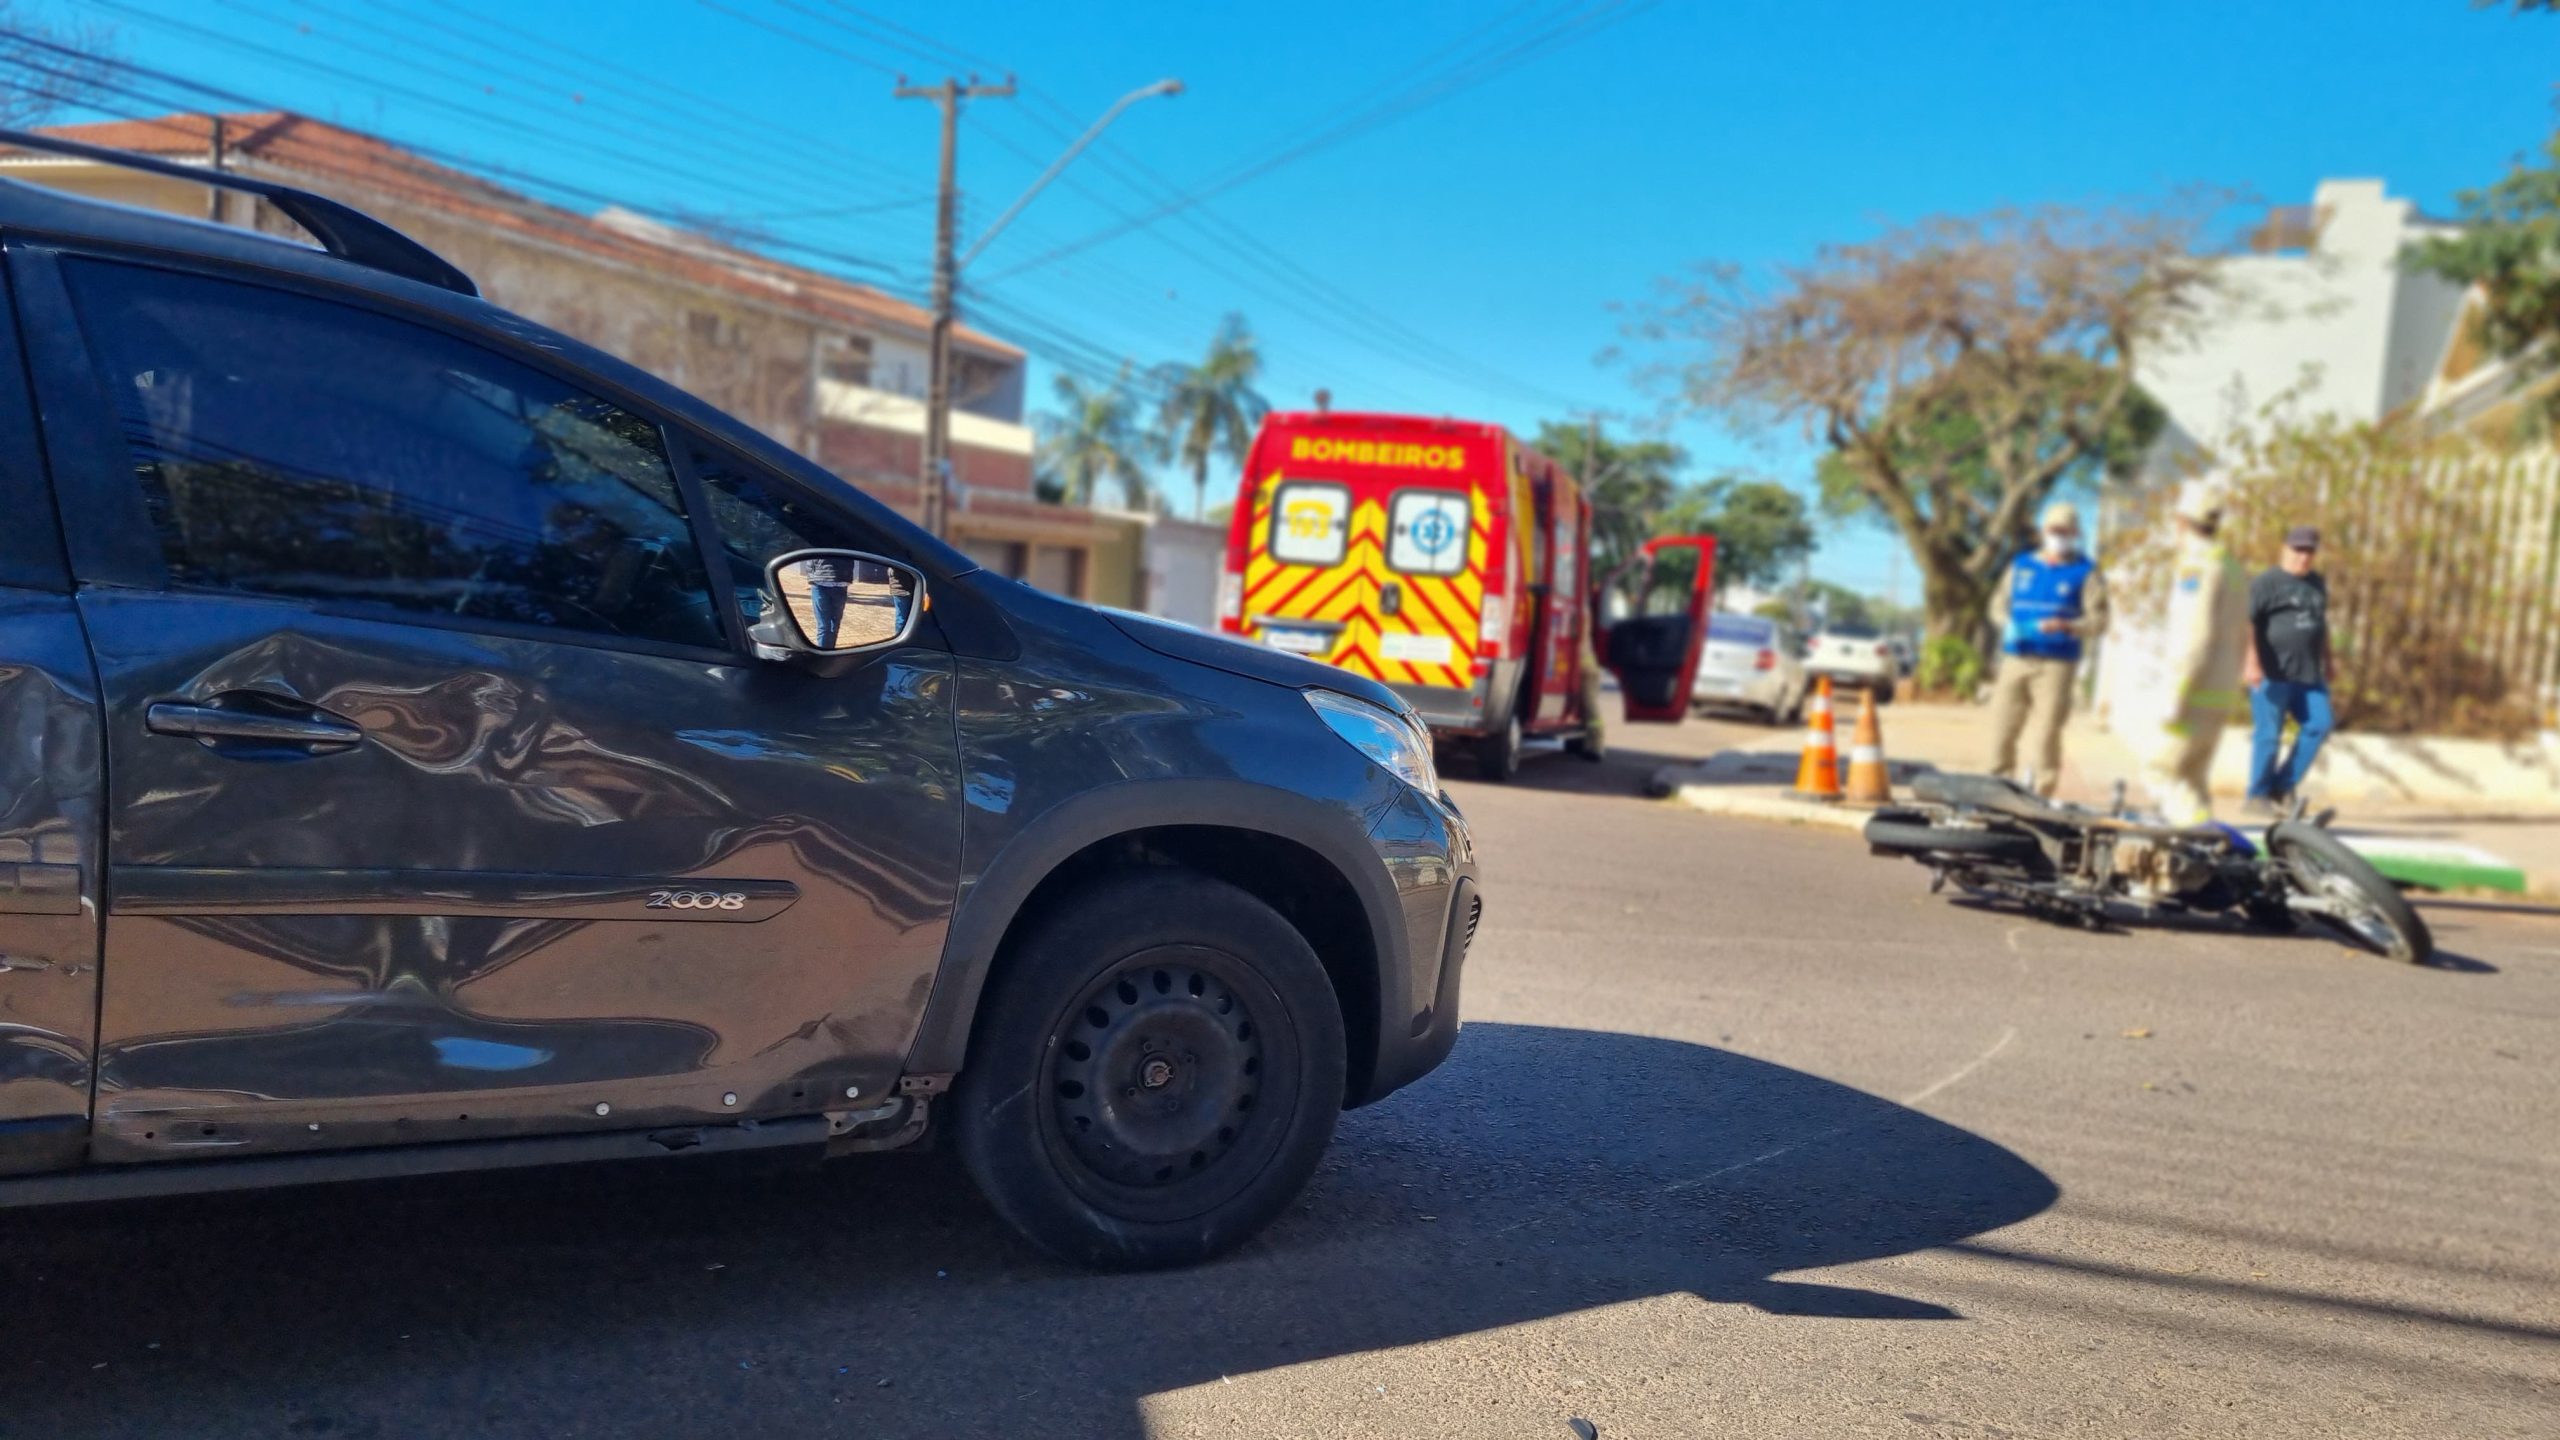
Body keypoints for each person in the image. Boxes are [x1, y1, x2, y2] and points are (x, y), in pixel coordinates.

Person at [2138, 482, 2250, 826]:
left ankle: (2201, 834)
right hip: (2220, 691)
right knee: (2192, 779)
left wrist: (2175, 697)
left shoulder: (2197, 567)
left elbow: (2194, 638)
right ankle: (2201, 868)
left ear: (2182, 521)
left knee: (2160, 773)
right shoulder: (2232, 566)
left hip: (2193, 692)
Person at [1985, 501, 2110, 796]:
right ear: (2044, 531)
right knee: (2002, 727)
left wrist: (2069, 626)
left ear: (2076, 533)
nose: (2059, 535)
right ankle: (1996, 787)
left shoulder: (2086, 571)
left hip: (2057, 663)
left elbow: (2100, 620)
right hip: (2016, 656)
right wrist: (2008, 623)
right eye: (2054, 530)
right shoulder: (2022, 566)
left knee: (2046, 734)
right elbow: (1996, 605)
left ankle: (2042, 792)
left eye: (2066, 531)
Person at [2244, 524, 2335, 811]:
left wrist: (2329, 660)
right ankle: (2257, 795)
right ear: (2285, 549)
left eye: (2309, 551)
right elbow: (2247, 623)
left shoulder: (2316, 583)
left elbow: (2321, 623)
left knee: (2319, 724)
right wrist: (2251, 662)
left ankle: (2282, 787)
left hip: (2308, 674)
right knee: (2269, 735)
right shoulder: (2266, 583)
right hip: (2272, 673)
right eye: (2298, 550)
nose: (2304, 556)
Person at [797, 554, 849, 648]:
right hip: (823, 581)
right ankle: (826, 654)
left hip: (835, 580)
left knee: (829, 626)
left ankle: (827, 653)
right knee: (827, 626)